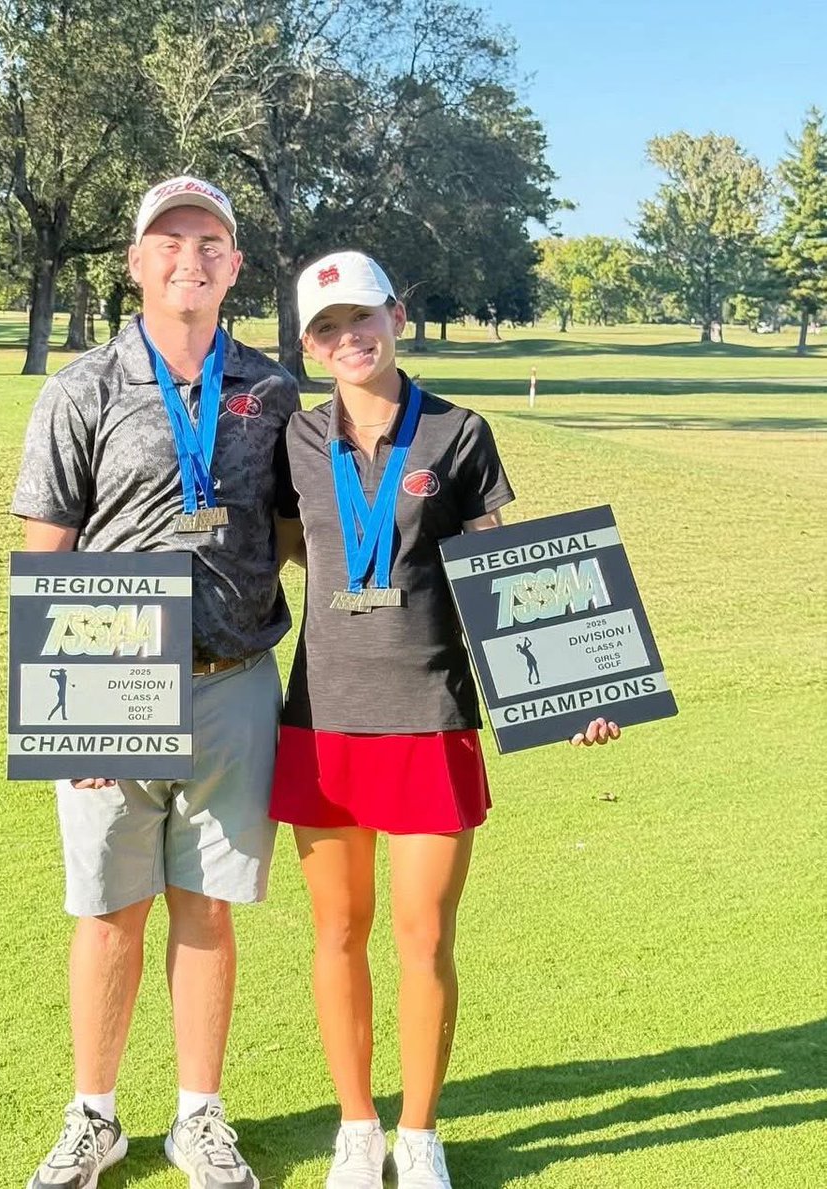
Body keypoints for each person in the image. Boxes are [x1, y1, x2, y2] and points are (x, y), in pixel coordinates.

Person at [270, 251, 619, 1189]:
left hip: (430, 712)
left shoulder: (460, 433)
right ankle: (355, 1125)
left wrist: (575, 686)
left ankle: (418, 1133)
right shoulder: (298, 441)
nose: (350, 339)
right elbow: (281, 552)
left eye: (363, 317)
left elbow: (502, 571)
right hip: (322, 718)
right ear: (308, 345)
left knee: (424, 935)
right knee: (337, 933)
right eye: (327, 328)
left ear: (399, 313)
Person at [10, 176, 300, 1189]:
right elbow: (46, 555)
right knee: (107, 910)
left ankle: (198, 1116)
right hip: (112, 688)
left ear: (235, 265)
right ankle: (95, 1115)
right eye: (169, 240)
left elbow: (313, 535)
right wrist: (70, 710)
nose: (191, 255)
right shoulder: (81, 387)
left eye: (210, 240)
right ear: (135, 262)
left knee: (208, 907)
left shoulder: (271, 388)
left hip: (234, 683)